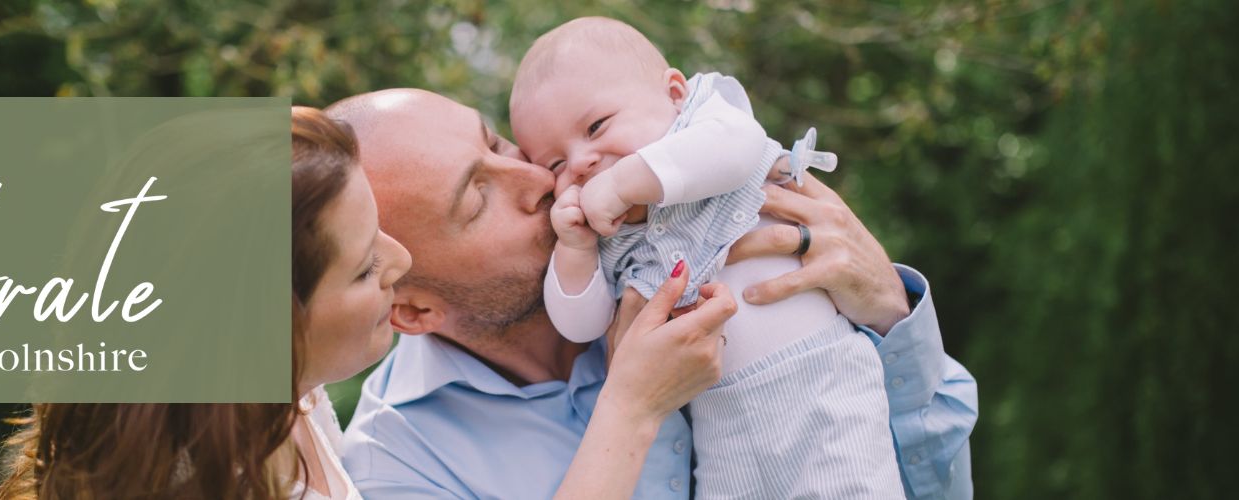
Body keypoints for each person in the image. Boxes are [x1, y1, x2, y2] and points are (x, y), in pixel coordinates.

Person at [0, 107, 724, 499]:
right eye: (368, 265)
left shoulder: (285, 410)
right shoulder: (390, 455)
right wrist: (632, 409)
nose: (398, 266)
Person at [329, 87, 977, 499]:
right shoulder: (398, 469)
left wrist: (888, 309)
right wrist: (632, 409)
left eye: (495, 142)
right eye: (478, 198)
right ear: (413, 308)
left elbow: (932, 483)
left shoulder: (687, 230)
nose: (535, 176)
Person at [510, 17, 900, 499]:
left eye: (596, 126)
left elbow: (738, 149)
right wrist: (575, 249)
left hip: (820, 382)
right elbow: (581, 325)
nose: (580, 163)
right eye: (554, 164)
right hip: (719, 419)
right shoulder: (608, 232)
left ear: (674, 93)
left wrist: (622, 182)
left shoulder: (709, 124)